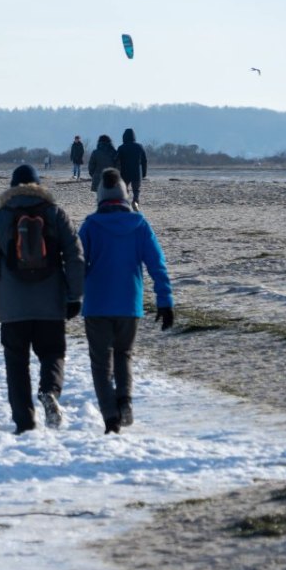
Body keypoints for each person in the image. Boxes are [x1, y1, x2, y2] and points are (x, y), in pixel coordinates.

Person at [0, 164, 85, 434]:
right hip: (51, 305)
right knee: (53, 354)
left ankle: (24, 425)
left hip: (13, 308)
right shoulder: (56, 214)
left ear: (12, 188)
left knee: (16, 365)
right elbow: (75, 257)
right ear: (39, 186)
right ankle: (50, 392)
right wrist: (74, 296)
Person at [79, 169, 174, 433]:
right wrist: (165, 301)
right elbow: (157, 265)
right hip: (129, 305)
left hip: (97, 306)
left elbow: (75, 266)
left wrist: (69, 297)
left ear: (100, 196)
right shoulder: (140, 225)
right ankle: (125, 402)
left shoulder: (90, 225)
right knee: (124, 355)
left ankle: (110, 418)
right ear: (125, 194)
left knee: (100, 364)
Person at [114, 128, 148, 209]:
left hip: (124, 173)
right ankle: (135, 202)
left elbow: (116, 160)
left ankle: (125, 203)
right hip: (137, 172)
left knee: (124, 189)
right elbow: (144, 161)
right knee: (136, 190)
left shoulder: (121, 148)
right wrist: (144, 173)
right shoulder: (139, 147)